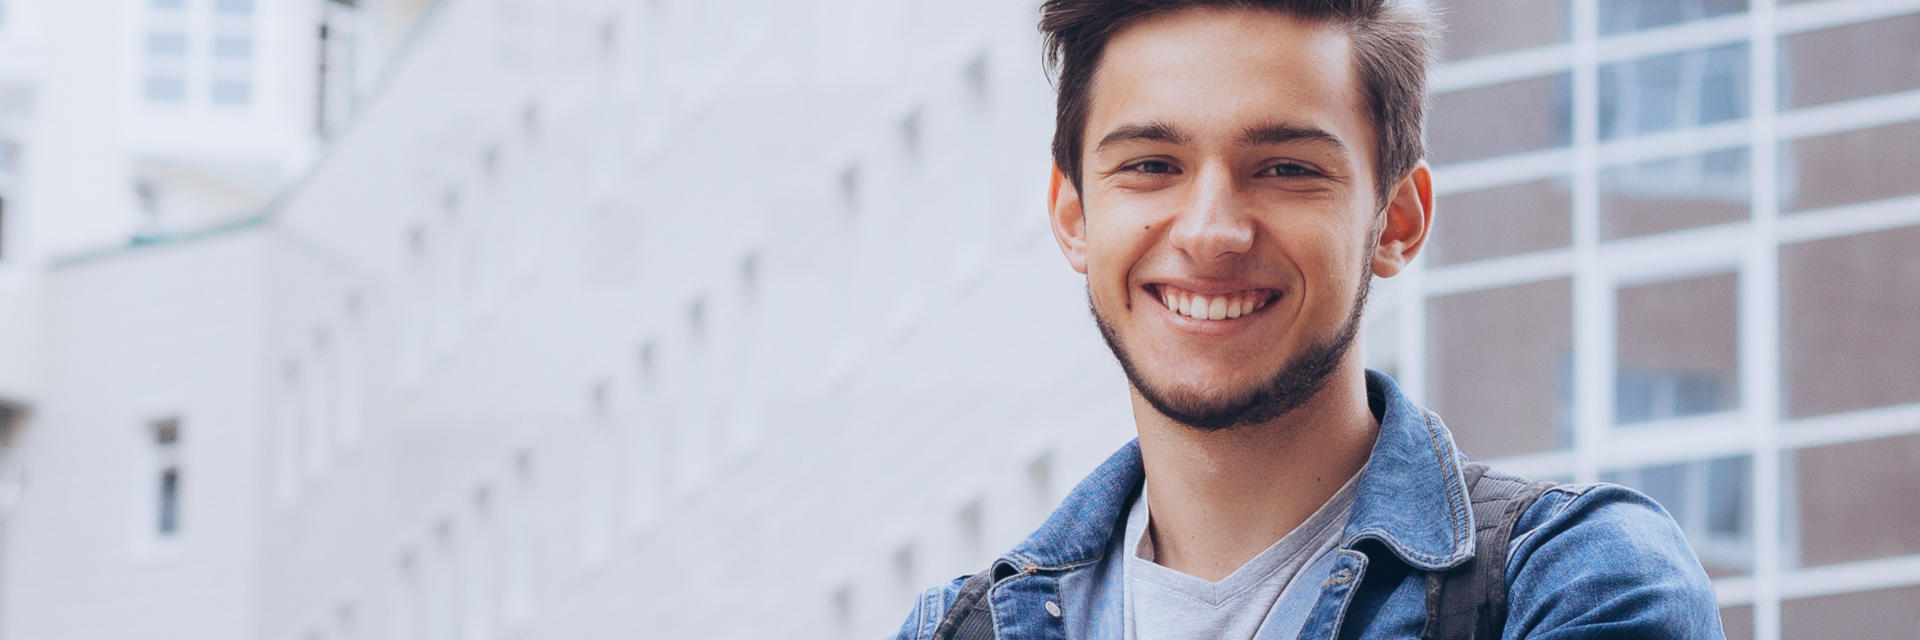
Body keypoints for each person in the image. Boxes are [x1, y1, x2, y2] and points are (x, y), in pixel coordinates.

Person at [891, 1, 1725, 638]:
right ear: (1073, 215)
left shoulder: (1571, 583)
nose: (1212, 230)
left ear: (1397, 220)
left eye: (1286, 169)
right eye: (1151, 166)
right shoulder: (961, 629)